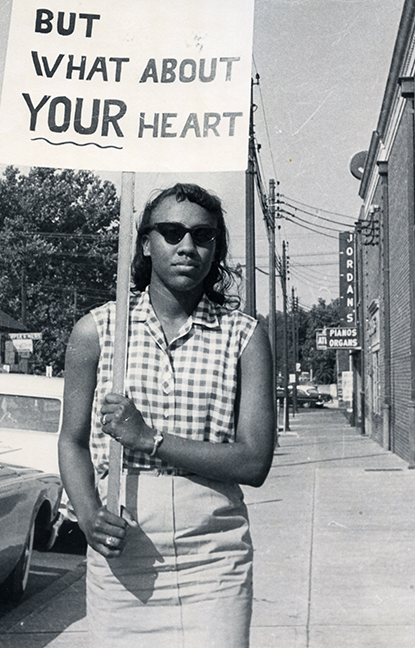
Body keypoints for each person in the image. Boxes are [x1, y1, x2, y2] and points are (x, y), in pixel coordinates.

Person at [59, 182, 275, 648]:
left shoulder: (245, 337)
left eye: (203, 236)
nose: (187, 247)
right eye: (172, 232)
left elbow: (254, 462)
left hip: (214, 555)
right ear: (144, 242)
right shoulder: (98, 331)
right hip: (124, 553)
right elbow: (72, 441)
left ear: (216, 249)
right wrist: (88, 512)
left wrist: (149, 439)